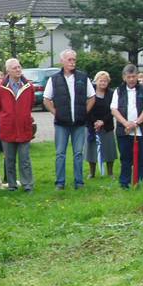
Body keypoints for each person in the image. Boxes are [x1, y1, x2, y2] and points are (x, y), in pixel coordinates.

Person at [43, 49, 95, 190]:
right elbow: (46, 99)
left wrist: (84, 112)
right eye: (69, 60)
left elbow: (92, 97)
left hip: (79, 123)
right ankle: (60, 183)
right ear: (62, 61)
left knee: (78, 153)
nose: (72, 62)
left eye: (74, 60)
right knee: (60, 153)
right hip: (61, 124)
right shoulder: (54, 79)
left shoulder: (83, 77)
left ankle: (79, 182)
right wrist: (56, 113)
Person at [110, 64, 143, 189]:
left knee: (142, 158)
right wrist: (126, 123)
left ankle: (142, 182)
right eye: (129, 77)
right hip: (124, 131)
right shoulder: (118, 91)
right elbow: (114, 109)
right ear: (124, 77)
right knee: (125, 158)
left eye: (134, 76)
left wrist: (135, 123)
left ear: (137, 76)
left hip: (140, 130)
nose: (131, 79)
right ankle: (124, 183)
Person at [0, 58, 35, 193]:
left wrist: (24, 117)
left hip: (24, 128)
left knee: (25, 159)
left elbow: (31, 105)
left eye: (19, 67)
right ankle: (12, 184)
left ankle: (27, 184)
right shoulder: (1, 89)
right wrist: (7, 118)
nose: (18, 70)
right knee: (9, 160)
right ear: (8, 71)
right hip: (8, 129)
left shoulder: (29, 87)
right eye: (14, 68)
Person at [86, 71, 118, 179]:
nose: (103, 83)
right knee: (92, 150)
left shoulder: (112, 94)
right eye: (101, 80)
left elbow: (113, 110)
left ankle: (110, 173)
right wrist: (95, 122)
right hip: (92, 125)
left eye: (105, 81)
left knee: (109, 150)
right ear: (96, 81)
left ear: (108, 82)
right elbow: (87, 109)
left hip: (107, 125)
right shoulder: (90, 92)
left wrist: (102, 122)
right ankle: (92, 173)